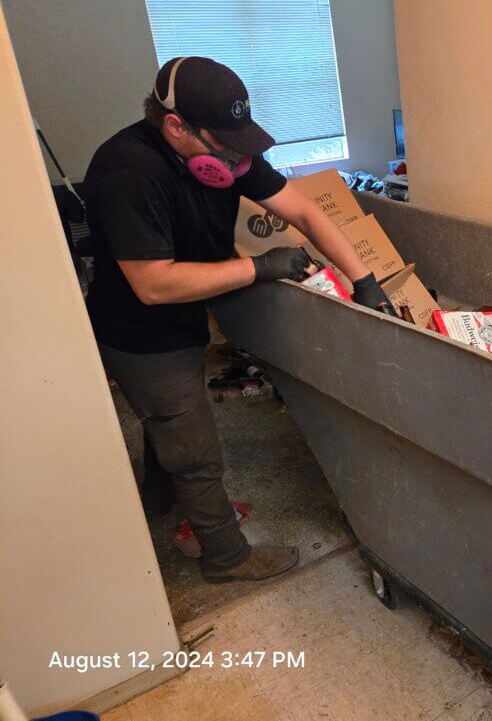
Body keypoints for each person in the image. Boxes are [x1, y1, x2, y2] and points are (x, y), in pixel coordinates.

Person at [84, 56, 392, 583]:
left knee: (168, 426)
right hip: (141, 335)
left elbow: (306, 212)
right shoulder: (128, 174)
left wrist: (365, 280)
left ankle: (160, 502)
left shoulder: (229, 154)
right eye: (224, 146)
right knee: (194, 450)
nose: (237, 159)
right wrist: (258, 267)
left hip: (187, 315)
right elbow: (153, 284)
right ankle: (227, 558)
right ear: (175, 126)